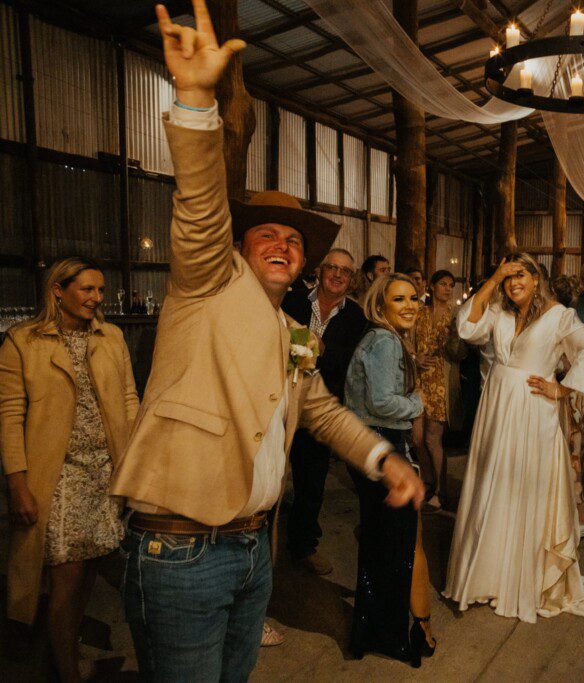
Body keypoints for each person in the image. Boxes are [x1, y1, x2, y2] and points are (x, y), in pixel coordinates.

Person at [109, 6, 424, 679]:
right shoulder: (206, 285)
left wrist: (380, 456)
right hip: (180, 548)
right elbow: (197, 207)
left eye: (295, 241)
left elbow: (319, 408)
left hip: (254, 551)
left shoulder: (294, 332)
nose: (283, 244)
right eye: (266, 236)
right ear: (239, 250)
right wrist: (195, 99)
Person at [444, 253, 584, 623]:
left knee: (525, 487)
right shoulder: (498, 313)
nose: (513, 282)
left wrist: (562, 389)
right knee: (492, 486)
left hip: (535, 411)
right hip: (496, 408)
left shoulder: (560, 315)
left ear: (537, 279)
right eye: (507, 277)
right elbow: (467, 329)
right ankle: (488, 576)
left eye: (521, 275)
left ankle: (523, 578)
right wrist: (492, 279)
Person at [0, 258, 138, 682]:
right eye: (88, 290)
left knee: (92, 565)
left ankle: (66, 644)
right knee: (65, 577)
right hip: (58, 476)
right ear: (58, 291)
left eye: (101, 290)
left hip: (106, 472)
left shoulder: (110, 337)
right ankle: (66, 671)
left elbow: (130, 399)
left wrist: (135, 463)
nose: (98, 299)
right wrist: (18, 484)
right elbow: (8, 415)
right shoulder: (23, 341)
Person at [345, 273, 436, 668]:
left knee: (385, 545)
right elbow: (382, 402)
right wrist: (417, 403)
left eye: (414, 298)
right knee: (396, 548)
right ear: (380, 305)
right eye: (400, 299)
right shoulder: (383, 340)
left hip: (375, 443)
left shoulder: (384, 338)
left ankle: (374, 629)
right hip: (382, 444)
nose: (411, 305)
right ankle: (393, 635)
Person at [281, 247, 366, 577]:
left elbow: (346, 364)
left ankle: (302, 547)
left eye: (345, 271)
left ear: (351, 278)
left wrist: (320, 347)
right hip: (280, 402)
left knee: (311, 483)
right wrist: (307, 344)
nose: (337, 274)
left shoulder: (355, 317)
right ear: (319, 269)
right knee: (269, 476)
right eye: (332, 267)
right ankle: (259, 546)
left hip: (319, 410)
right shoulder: (292, 302)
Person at [411, 270, 465, 509]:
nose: (447, 288)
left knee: (433, 439)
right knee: (417, 438)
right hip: (418, 381)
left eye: (451, 285)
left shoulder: (457, 315)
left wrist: (456, 338)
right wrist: (415, 357)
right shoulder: (419, 313)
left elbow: (461, 353)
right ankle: (427, 479)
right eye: (443, 284)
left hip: (442, 382)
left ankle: (441, 492)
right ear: (432, 286)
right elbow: (406, 340)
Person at [550, 274, 584, 537]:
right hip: (574, 394)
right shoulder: (567, 319)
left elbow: (567, 363)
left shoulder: (562, 322)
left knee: (569, 457)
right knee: (571, 456)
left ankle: (579, 517)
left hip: (568, 396)